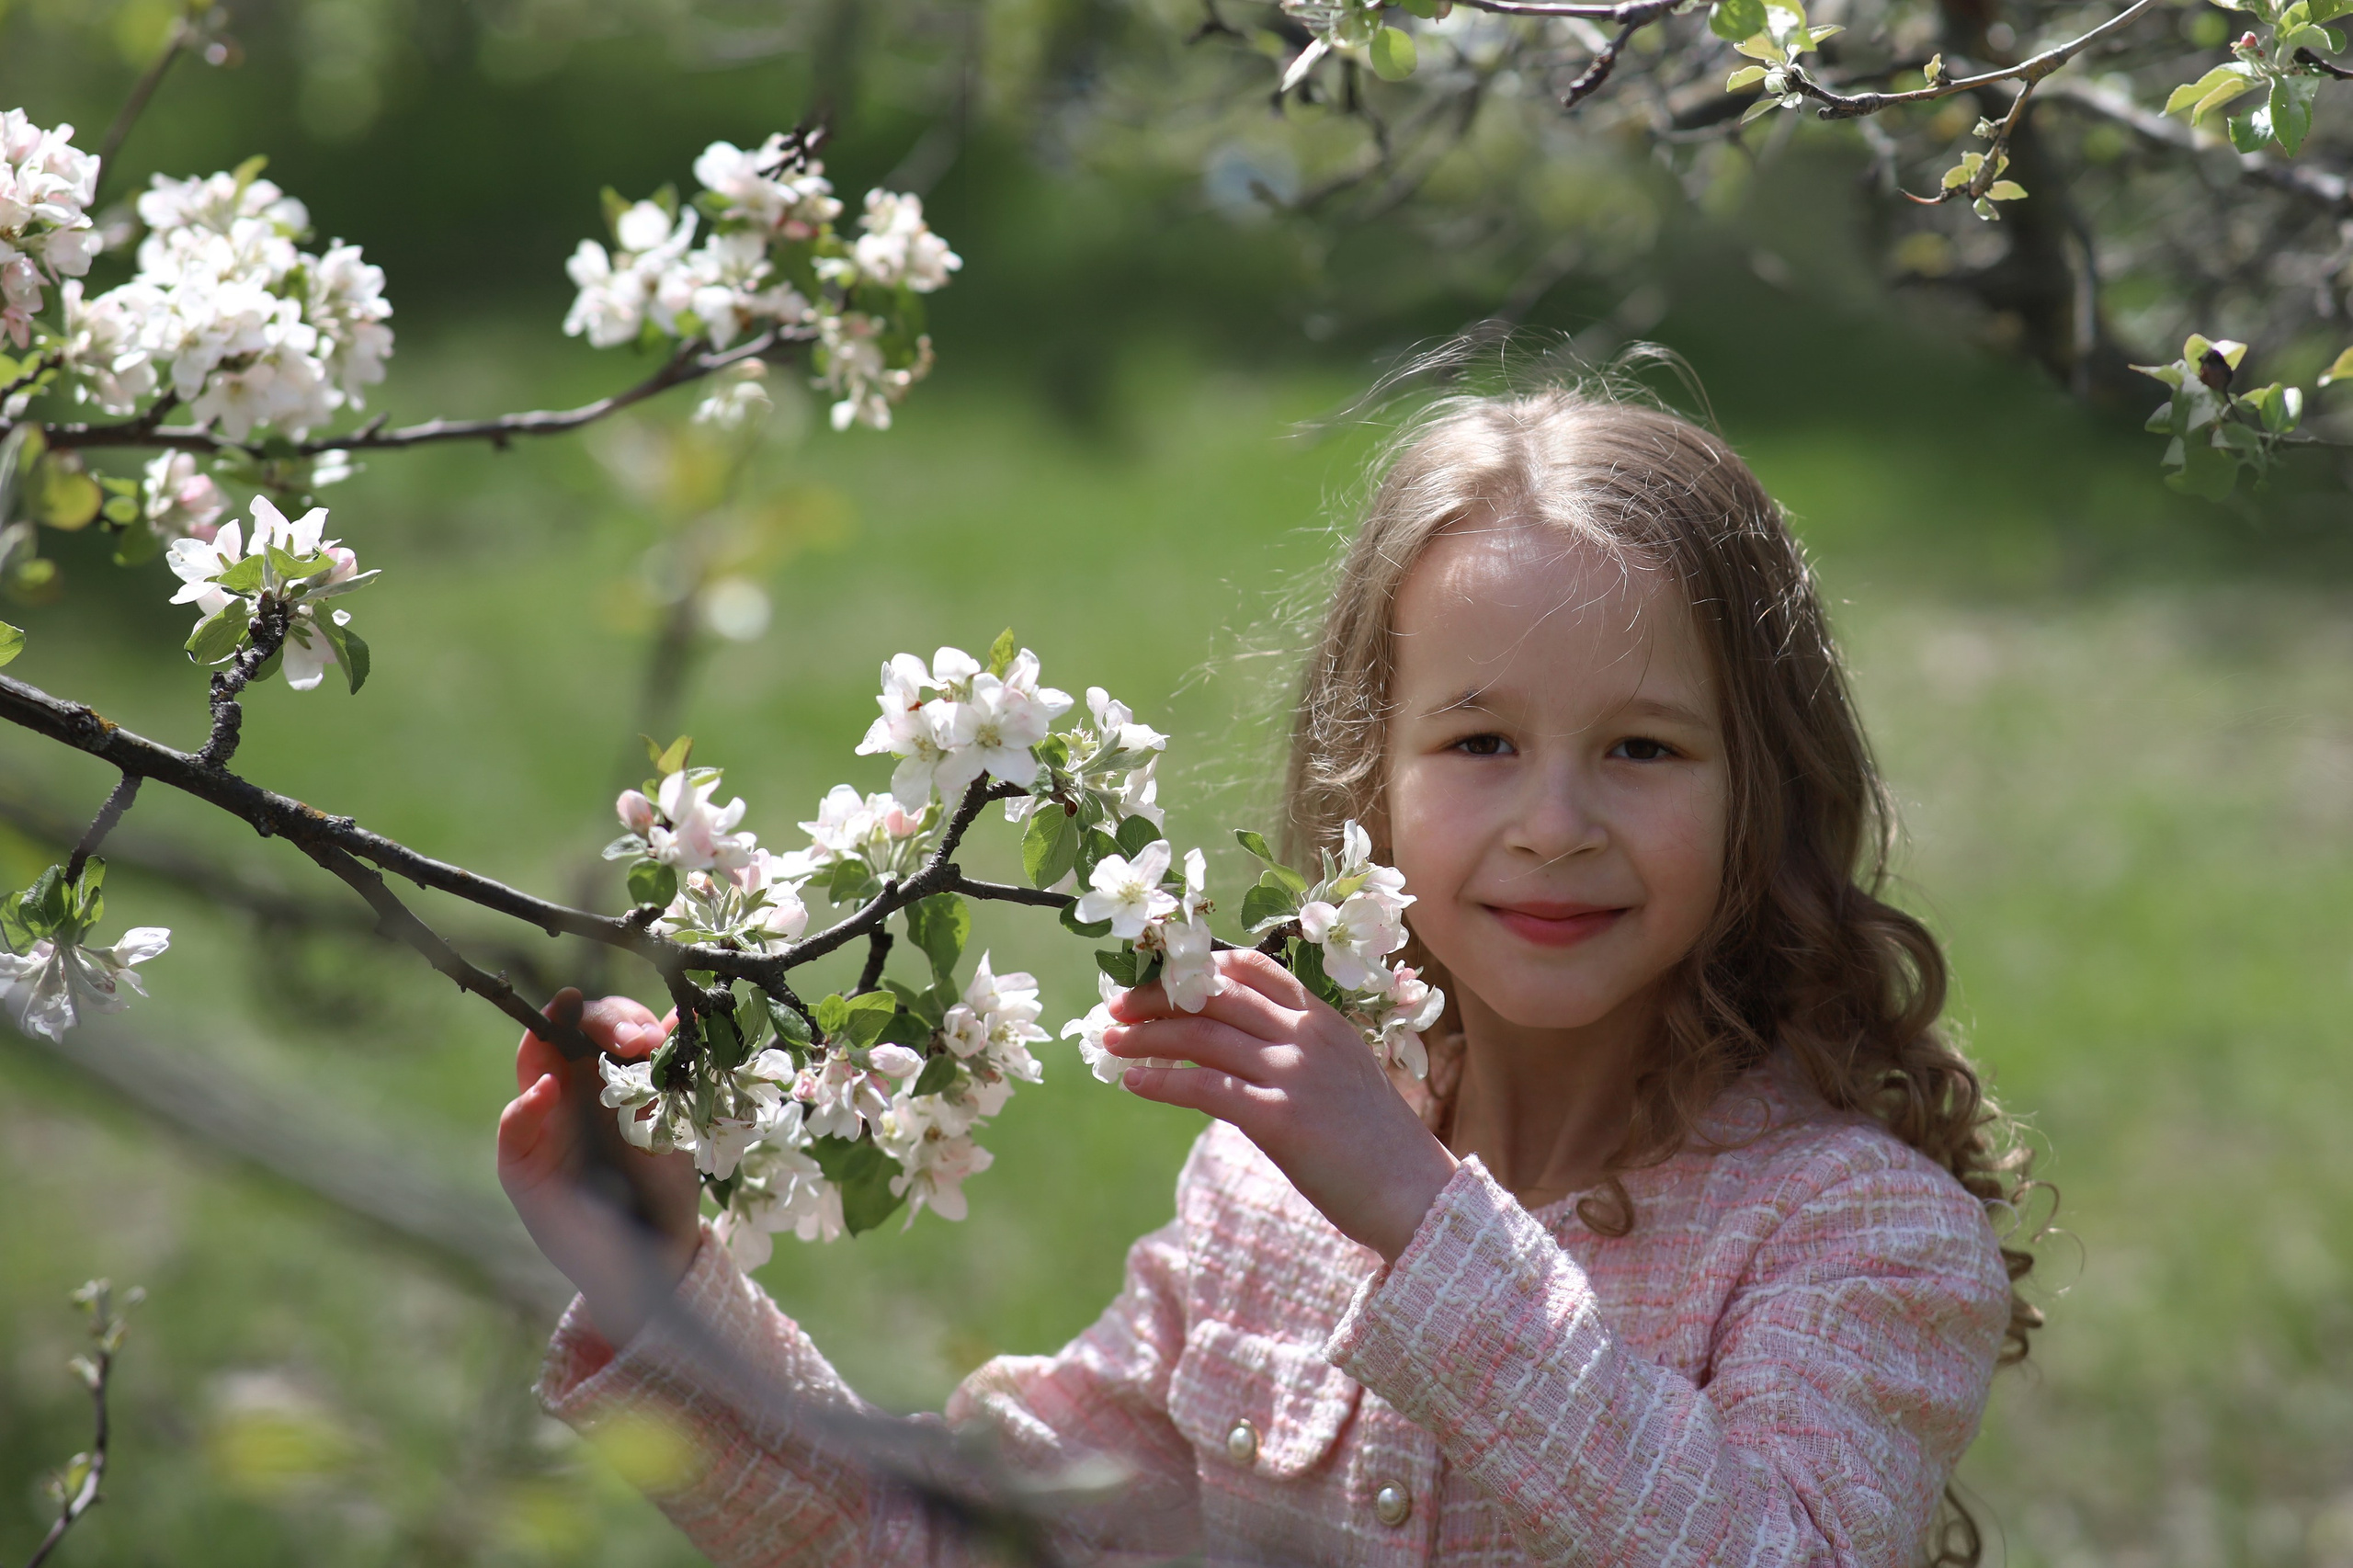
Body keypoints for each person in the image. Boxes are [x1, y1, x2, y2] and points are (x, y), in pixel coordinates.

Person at [496, 383, 2042, 1566]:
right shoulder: (1265, 1196)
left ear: (1763, 788)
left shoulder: (1856, 1234)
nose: (1555, 824)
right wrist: (656, 1281)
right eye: (1481, 742)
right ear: (1373, 779)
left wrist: (1421, 1217)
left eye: (1642, 748)